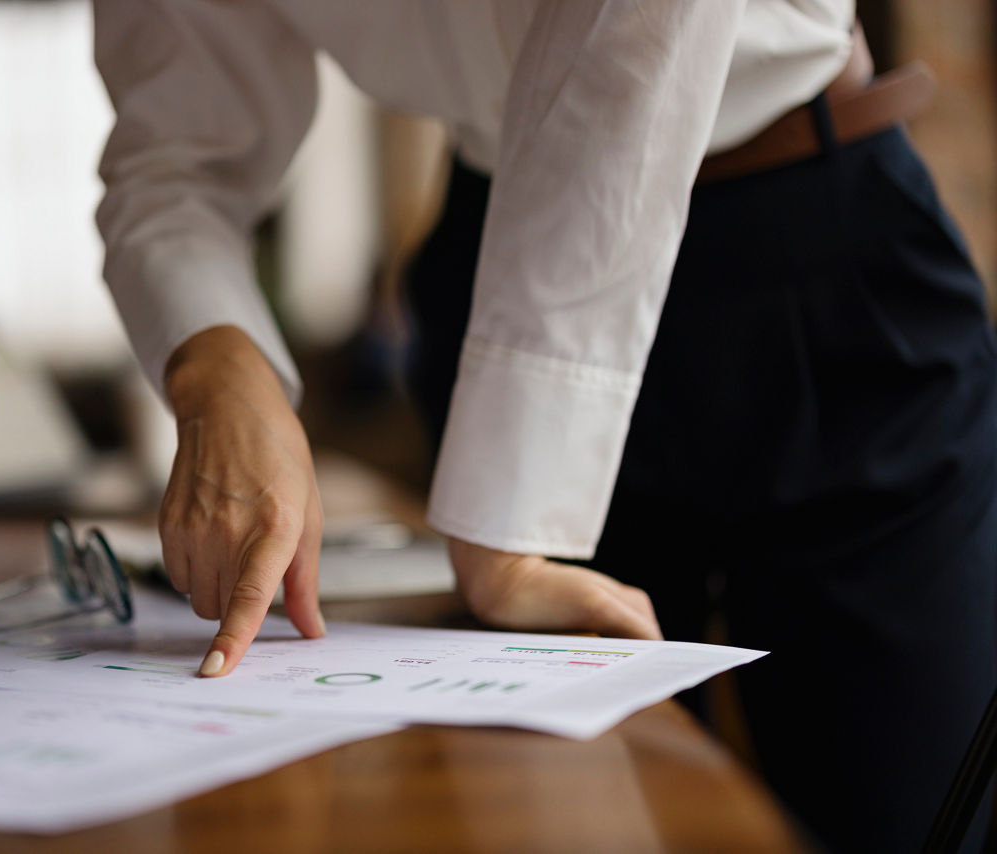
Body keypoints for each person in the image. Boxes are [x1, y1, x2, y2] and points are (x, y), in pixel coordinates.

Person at [92, 3, 997, 851]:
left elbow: (631, 41)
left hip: (815, 259)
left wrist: (513, 524)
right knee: (562, 805)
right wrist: (220, 369)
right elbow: (175, 148)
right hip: (495, 267)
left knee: (917, 815)